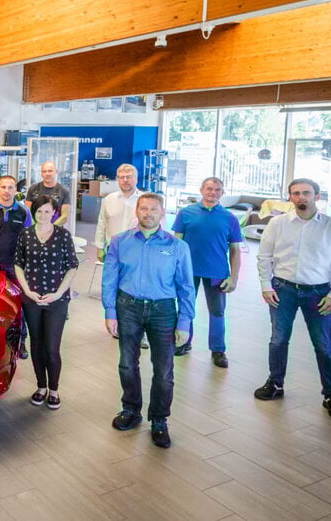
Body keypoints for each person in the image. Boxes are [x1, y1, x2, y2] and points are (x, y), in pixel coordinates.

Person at [254, 178, 331, 423]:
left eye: (306, 193)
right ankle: (275, 384)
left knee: (324, 346)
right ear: (290, 197)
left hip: (319, 294)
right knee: (278, 340)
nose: (301, 197)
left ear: (317, 197)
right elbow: (264, 256)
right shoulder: (278, 224)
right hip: (282, 290)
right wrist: (266, 287)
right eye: (296, 193)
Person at [102, 193, 195, 449]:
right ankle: (131, 409)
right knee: (127, 364)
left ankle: (159, 419)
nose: (148, 213)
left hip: (163, 310)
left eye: (154, 209)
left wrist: (184, 322)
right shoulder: (120, 241)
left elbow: (187, 287)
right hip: (127, 306)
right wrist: (110, 312)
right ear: (137, 212)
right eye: (144, 209)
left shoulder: (177, 247)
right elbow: (109, 279)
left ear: (162, 213)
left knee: (164, 371)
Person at [14, 196, 79, 409]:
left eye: (47, 211)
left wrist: (59, 293)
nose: (43, 215)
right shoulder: (25, 234)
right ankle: (41, 387)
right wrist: (27, 291)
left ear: (55, 213)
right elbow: (18, 265)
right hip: (31, 298)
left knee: (51, 347)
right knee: (36, 344)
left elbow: (72, 266)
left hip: (56, 299)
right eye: (39, 211)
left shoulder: (63, 235)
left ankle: (54, 389)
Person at [171, 177, 242, 366]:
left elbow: (235, 251)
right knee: (186, 306)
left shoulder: (230, 218)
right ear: (201, 190)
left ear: (222, 193)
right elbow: (176, 245)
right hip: (188, 270)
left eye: (217, 190)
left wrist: (233, 278)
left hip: (217, 271)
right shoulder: (185, 213)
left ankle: (218, 349)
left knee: (217, 311)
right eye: (209, 189)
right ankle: (183, 342)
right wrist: (172, 270)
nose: (213, 193)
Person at [0, 175, 33, 358]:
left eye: (11, 187)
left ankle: (20, 342)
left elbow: (28, 238)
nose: (7, 191)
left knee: (18, 305)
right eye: (4, 187)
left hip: (15, 265)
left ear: (15, 191)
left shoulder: (24, 212)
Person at [96, 163, 148, 347]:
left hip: (138, 250)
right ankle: (118, 326)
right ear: (117, 178)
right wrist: (99, 246)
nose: (125, 180)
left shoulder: (145, 199)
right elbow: (102, 222)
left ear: (136, 178)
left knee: (136, 290)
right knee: (114, 289)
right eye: (121, 177)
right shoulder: (109, 199)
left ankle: (140, 333)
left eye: (129, 176)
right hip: (113, 249)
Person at [25, 161, 71, 227]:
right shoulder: (33, 189)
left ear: (56, 172)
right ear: (41, 173)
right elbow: (27, 212)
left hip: (55, 230)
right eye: (44, 171)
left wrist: (50, 228)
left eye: (50, 171)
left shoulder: (64, 191)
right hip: (35, 229)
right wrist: (36, 227)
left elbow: (64, 216)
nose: (47, 174)